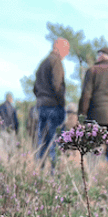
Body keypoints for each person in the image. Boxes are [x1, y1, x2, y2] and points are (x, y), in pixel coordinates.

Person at [78, 46, 108, 174]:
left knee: (93, 150)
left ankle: (92, 180)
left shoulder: (93, 71)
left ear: (102, 56)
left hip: (96, 116)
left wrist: (82, 116)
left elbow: (86, 95)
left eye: (99, 54)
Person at [34, 38, 70, 167]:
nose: (67, 53)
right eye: (66, 49)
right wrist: (61, 104)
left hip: (41, 106)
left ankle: (39, 171)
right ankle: (55, 175)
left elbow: (35, 88)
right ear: (57, 47)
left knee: (42, 142)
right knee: (55, 142)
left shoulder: (43, 63)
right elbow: (57, 86)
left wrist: (41, 99)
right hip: (54, 107)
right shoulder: (56, 62)